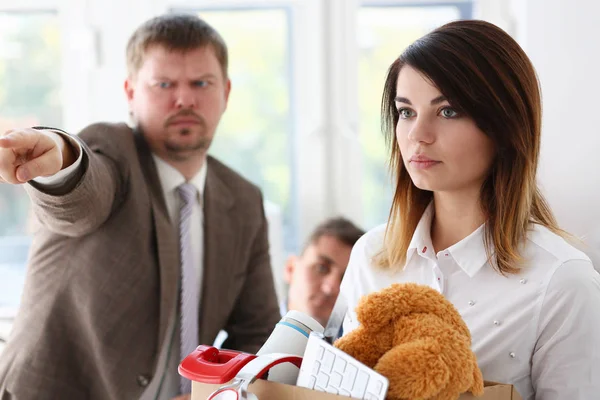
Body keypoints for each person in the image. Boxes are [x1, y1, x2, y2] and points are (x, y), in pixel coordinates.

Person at [0, 14, 281, 400]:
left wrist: (221, 393)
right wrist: (60, 159)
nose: (184, 98)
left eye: (201, 83)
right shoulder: (113, 151)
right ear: (131, 93)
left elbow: (257, 332)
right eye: (164, 84)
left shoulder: (245, 200)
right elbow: (82, 187)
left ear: (226, 92)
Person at [339, 20, 600, 400]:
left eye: (447, 112)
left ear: (505, 125)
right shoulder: (370, 256)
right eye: (406, 112)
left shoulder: (563, 282)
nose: (417, 135)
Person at [282, 217, 364, 327]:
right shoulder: (253, 336)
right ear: (290, 268)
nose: (330, 289)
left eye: (346, 279)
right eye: (321, 268)